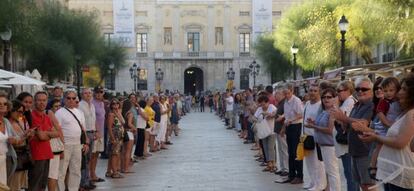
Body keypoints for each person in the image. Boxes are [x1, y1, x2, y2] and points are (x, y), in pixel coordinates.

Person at [359, 74, 414, 191]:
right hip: (393, 173)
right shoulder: (405, 112)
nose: (399, 93)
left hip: (400, 175)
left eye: (403, 89)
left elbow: (400, 142)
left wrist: (376, 137)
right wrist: (370, 132)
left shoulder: (411, 114)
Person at [330, 77, 376, 191]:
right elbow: (351, 124)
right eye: (358, 89)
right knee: (361, 183)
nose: (360, 91)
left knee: (368, 185)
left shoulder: (371, 105)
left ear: (371, 90)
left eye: (364, 89)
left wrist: (344, 118)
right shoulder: (357, 104)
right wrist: (343, 121)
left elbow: (363, 123)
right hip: (355, 150)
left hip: (366, 151)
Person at [306, 88, 341, 191]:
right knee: (329, 171)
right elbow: (321, 124)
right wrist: (313, 122)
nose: (326, 99)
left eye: (329, 97)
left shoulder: (333, 111)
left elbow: (329, 130)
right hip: (322, 145)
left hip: (329, 146)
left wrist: (314, 127)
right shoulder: (324, 110)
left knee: (333, 172)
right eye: (324, 97)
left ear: (334, 98)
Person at [55, 90, 89, 191]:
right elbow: (58, 130)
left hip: (77, 144)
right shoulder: (59, 113)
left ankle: (73, 189)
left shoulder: (79, 112)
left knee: (76, 170)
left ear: (76, 99)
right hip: (65, 145)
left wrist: (86, 143)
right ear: (64, 99)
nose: (71, 100)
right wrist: (61, 147)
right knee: (61, 171)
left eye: (73, 98)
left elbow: (83, 129)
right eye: (68, 98)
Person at [369, 77, 401, 179]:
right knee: (379, 146)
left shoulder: (399, 100)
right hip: (385, 126)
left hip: (395, 126)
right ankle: (373, 166)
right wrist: (387, 123)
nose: (388, 93)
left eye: (391, 90)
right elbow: (380, 114)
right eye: (385, 91)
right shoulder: (383, 102)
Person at [301, 84, 326, 190]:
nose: (312, 93)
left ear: (319, 92)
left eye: (315, 91)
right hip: (306, 136)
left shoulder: (321, 105)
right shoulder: (307, 104)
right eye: (310, 90)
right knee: (309, 161)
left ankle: (320, 184)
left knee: (318, 163)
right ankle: (312, 181)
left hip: (316, 136)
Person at [335, 80, 358, 191]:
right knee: (349, 173)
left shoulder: (349, 102)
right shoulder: (347, 102)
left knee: (350, 174)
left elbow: (342, 118)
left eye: (340, 91)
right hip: (347, 143)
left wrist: (336, 106)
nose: (338, 93)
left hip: (348, 144)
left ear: (348, 90)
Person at [280, 83, 304, 184]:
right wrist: (283, 128)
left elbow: (300, 114)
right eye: (284, 94)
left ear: (292, 91)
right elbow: (286, 115)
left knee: (296, 152)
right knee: (290, 152)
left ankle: (299, 175)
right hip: (289, 126)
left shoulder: (296, 101)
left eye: (288, 93)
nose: (286, 96)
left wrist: (291, 120)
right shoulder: (285, 102)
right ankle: (291, 174)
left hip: (296, 127)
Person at [78, 88, 97, 190]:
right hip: (85, 133)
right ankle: (83, 182)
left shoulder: (92, 105)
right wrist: (85, 136)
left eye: (90, 93)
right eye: (86, 93)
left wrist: (96, 131)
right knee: (84, 159)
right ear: (82, 95)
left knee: (89, 158)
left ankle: (87, 179)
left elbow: (94, 119)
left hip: (92, 132)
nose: (88, 95)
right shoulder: (80, 105)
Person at [253, 95, 277, 173]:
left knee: (270, 147)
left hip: (271, 131)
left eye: (264, 104)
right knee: (265, 147)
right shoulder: (259, 109)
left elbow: (274, 115)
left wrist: (266, 114)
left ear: (268, 102)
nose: (262, 106)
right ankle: (268, 163)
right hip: (262, 131)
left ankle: (273, 164)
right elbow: (254, 117)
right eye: (261, 104)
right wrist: (256, 119)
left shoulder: (272, 107)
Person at [0, 93, 18, 189]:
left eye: (5, 103)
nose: (2, 105)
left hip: (4, 159)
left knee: (3, 187)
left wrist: (25, 135)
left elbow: (16, 138)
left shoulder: (6, 121)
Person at [46, 99, 64, 191]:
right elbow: (58, 130)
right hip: (53, 146)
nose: (58, 108)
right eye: (56, 106)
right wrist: (63, 146)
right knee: (53, 173)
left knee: (55, 172)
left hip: (54, 146)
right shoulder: (49, 113)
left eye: (60, 106)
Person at [105, 99, 125, 179]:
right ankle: (115, 172)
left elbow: (123, 123)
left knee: (115, 154)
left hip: (120, 136)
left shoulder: (118, 113)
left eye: (117, 103)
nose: (115, 105)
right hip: (114, 136)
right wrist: (112, 138)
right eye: (113, 104)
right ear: (111, 105)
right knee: (114, 154)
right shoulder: (111, 114)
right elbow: (109, 127)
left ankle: (110, 171)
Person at [90, 86, 105, 182]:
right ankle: (89, 174)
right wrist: (96, 131)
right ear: (94, 93)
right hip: (95, 133)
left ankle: (93, 173)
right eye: (97, 92)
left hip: (102, 132)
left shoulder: (102, 103)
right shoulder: (91, 103)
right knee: (92, 155)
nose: (99, 94)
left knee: (96, 154)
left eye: (101, 92)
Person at [273, 88, 289, 179]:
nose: (275, 96)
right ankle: (282, 167)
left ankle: (286, 169)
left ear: (282, 95)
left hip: (282, 130)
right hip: (278, 129)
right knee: (280, 149)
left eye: (277, 94)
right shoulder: (280, 103)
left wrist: (282, 118)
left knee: (284, 149)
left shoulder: (284, 103)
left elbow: (287, 115)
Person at [121, 99, 136, 173]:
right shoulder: (130, 113)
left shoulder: (123, 113)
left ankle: (122, 167)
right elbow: (130, 124)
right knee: (128, 151)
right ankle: (126, 168)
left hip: (124, 132)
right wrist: (134, 128)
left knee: (124, 151)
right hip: (129, 133)